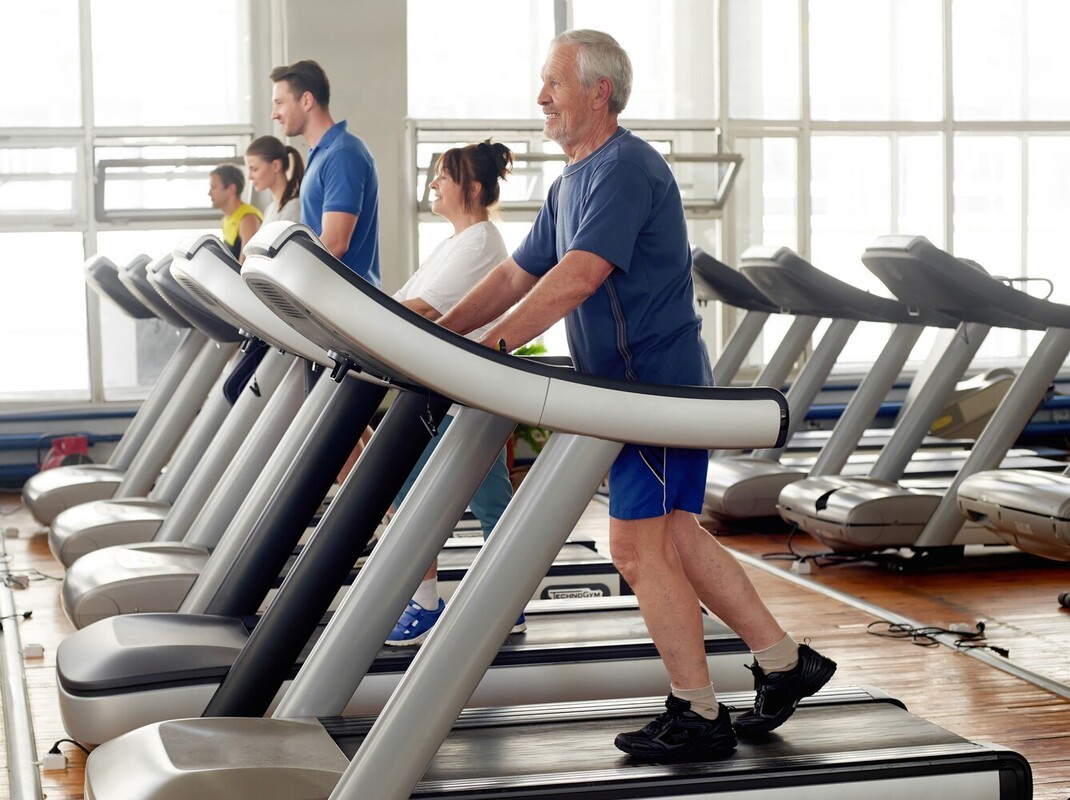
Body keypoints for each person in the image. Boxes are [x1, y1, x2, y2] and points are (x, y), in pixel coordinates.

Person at [437, 29, 836, 763]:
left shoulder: (623, 169)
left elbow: (580, 275)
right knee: (675, 539)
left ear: (600, 91)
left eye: (553, 83)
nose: (540, 98)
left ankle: (697, 712)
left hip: (650, 391)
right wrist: (439, 327)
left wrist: (492, 346)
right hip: (628, 395)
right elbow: (516, 276)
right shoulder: (570, 183)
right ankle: (783, 663)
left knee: (634, 544)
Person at [383, 140, 521, 645]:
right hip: (454, 387)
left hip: (461, 390)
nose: (435, 183)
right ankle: (511, 601)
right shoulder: (458, 242)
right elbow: (405, 302)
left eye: (444, 175)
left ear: (474, 187)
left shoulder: (480, 242)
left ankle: (425, 604)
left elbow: (424, 310)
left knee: (408, 489)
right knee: (490, 501)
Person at [268, 59, 380, 287]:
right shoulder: (320, 153)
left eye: (279, 103)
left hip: (346, 301)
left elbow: (335, 241)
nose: (274, 114)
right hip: (325, 295)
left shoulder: (343, 154)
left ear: (306, 100)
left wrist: (286, 282)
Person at [208, 164, 263, 262]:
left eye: (214, 187)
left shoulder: (248, 219)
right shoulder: (226, 219)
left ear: (231, 189)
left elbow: (246, 265)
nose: (209, 193)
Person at [245, 135, 305, 224]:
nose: (249, 177)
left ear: (275, 166)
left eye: (254, 169)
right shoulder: (270, 209)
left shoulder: (295, 206)